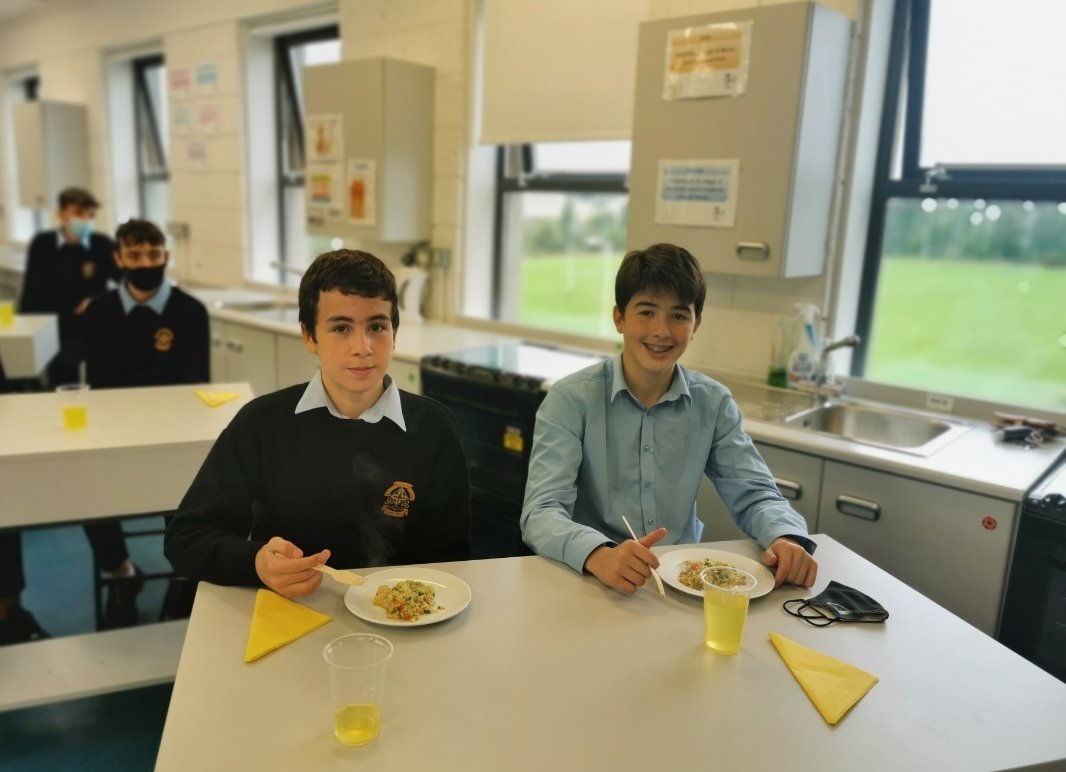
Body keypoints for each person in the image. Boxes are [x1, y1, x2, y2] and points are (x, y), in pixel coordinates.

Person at [164, 249, 471, 597]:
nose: (363, 347)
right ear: (309, 336)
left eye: (376, 326)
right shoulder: (263, 424)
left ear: (394, 332)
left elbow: (453, 561)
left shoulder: (434, 429)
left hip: (401, 617)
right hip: (290, 610)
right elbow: (186, 538)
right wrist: (256, 562)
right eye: (341, 328)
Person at [520, 243, 818, 594]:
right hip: (593, 579)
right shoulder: (571, 399)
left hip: (683, 584)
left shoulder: (714, 404)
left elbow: (756, 494)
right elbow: (541, 512)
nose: (662, 331)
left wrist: (786, 538)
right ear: (619, 318)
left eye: (678, 316)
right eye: (646, 312)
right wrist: (598, 554)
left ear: (696, 324)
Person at [82, 217, 211, 624]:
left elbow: (193, 381)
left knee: (187, 494)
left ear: (166, 256)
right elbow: (100, 384)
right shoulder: (99, 312)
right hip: (114, 435)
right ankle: (121, 573)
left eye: (153, 254)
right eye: (134, 255)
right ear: (119, 258)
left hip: (175, 435)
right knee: (88, 492)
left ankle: (184, 576)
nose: (145, 262)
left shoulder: (189, 312)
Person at [18, 186, 121, 386]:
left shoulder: (101, 244)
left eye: (90, 214)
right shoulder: (42, 243)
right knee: (43, 376)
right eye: (79, 213)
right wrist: (26, 329)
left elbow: (126, 283)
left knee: (68, 365)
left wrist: (97, 300)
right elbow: (30, 290)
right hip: (47, 324)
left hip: (85, 325)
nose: (85, 219)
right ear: (61, 214)